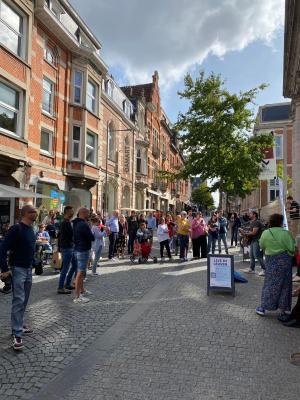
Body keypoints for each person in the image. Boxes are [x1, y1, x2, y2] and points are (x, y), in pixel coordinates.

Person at [0, 205, 38, 350]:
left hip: (28, 269)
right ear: (26, 214)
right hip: (17, 269)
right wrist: (4, 269)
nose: (36, 213)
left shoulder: (31, 230)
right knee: (18, 300)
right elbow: (2, 248)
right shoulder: (16, 229)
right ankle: (16, 334)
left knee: (24, 300)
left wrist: (35, 262)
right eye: (33, 211)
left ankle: (19, 324)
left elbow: (29, 248)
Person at [255, 213, 295, 321]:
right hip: (285, 263)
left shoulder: (266, 233)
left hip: (271, 262)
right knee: (285, 286)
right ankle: (283, 311)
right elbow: (292, 248)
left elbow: (261, 246)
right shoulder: (286, 233)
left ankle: (263, 308)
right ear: (281, 222)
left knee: (269, 284)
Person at [73, 207, 94, 304]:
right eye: (88, 213)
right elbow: (91, 237)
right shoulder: (83, 224)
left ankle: (82, 290)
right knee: (80, 273)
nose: (89, 215)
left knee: (80, 271)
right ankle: (77, 297)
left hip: (78, 248)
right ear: (84, 213)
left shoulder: (76, 223)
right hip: (83, 249)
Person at [57, 206, 77, 293]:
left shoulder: (67, 222)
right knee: (65, 268)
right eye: (71, 212)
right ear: (67, 212)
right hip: (67, 247)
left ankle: (67, 284)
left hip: (69, 247)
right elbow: (71, 235)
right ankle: (60, 287)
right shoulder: (66, 223)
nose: (73, 213)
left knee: (75, 265)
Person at [242, 211, 265, 275]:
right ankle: (252, 269)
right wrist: (244, 233)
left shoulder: (256, 222)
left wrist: (245, 233)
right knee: (251, 255)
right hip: (253, 240)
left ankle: (265, 269)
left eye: (251, 214)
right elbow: (251, 231)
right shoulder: (252, 222)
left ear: (254, 215)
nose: (249, 215)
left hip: (257, 240)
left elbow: (254, 232)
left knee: (257, 255)